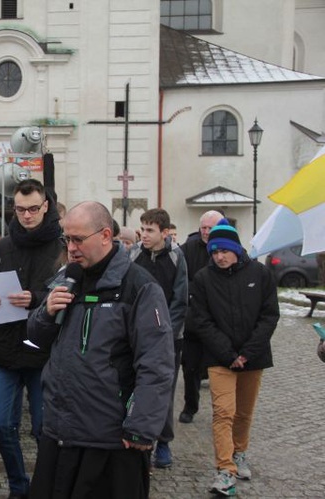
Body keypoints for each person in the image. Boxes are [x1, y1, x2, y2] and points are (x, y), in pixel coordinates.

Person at [27, 201, 175, 499]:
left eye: (78, 239)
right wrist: (45, 314)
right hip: (59, 431)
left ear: (106, 235)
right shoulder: (66, 279)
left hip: (109, 439)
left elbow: (157, 363)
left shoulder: (139, 288)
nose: (71, 248)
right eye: (66, 239)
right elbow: (36, 339)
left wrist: (141, 428)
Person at [0, 178, 62, 499]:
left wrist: (37, 298)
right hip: (5, 348)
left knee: (45, 430)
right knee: (2, 426)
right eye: (20, 209)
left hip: (45, 352)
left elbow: (70, 288)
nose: (26, 215)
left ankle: (44, 485)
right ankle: (19, 486)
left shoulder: (62, 246)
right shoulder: (2, 246)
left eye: (32, 209)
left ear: (45, 206)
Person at [191, 219, 279, 496]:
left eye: (224, 251)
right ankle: (225, 470)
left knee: (243, 413)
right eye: (214, 252)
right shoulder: (203, 279)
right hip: (220, 358)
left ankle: (240, 453)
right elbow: (201, 321)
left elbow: (269, 316)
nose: (219, 256)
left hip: (253, 356)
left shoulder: (260, 274)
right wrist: (229, 354)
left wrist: (246, 353)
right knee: (223, 413)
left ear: (236, 249)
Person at [129, 208, 188, 469]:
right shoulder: (133, 255)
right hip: (134, 337)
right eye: (142, 229)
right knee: (132, 385)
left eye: (150, 230)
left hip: (168, 339)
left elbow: (180, 299)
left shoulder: (177, 258)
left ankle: (163, 442)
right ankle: (133, 435)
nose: (144, 235)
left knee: (162, 390)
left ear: (165, 233)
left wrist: (166, 334)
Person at [179, 210, 224, 424]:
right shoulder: (188, 248)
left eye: (211, 228)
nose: (206, 232)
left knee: (220, 371)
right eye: (203, 227)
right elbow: (181, 277)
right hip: (193, 321)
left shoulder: (227, 249)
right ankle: (190, 406)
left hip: (219, 323)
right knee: (190, 367)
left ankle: (222, 411)